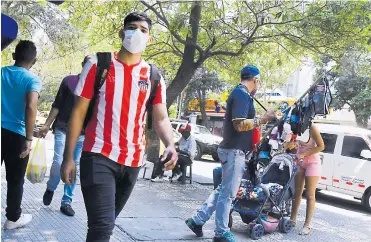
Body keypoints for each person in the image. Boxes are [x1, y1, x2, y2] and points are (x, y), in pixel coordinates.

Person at [60, 12, 177, 242]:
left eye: (144, 30)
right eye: (132, 28)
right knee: (102, 227)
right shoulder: (98, 64)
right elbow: (78, 112)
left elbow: (161, 118)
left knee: (105, 226)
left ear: (149, 39)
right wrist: (68, 157)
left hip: (133, 162)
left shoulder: (153, 76)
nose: (137, 33)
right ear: (122, 33)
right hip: (98, 155)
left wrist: (170, 144)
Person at [186, 65, 276, 242]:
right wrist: (263, 119)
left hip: (234, 150)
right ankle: (221, 232)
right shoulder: (241, 94)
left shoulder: (244, 95)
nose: (259, 84)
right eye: (259, 81)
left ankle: (197, 220)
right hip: (233, 151)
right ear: (255, 79)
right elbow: (239, 124)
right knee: (228, 194)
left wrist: (260, 122)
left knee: (223, 190)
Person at [37, 56, 90, 216]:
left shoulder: (95, 88)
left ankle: (67, 201)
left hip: (81, 134)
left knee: (75, 167)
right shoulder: (69, 81)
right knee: (58, 162)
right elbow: (57, 105)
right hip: (62, 128)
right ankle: (51, 187)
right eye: (88, 65)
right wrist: (46, 125)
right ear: (82, 65)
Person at [1, 40, 41, 230]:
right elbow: (31, 106)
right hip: (17, 135)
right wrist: (28, 138)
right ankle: (12, 219)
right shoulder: (32, 79)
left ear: (13, 56)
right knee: (15, 179)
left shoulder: (1, 72)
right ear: (33, 61)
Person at [286, 124, 324, 235]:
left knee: (310, 195)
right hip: (299, 162)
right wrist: (289, 144)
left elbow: (321, 146)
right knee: (297, 193)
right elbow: (290, 146)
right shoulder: (295, 127)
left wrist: (303, 154)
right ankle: (292, 219)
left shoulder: (312, 128)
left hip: (312, 163)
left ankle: (307, 225)